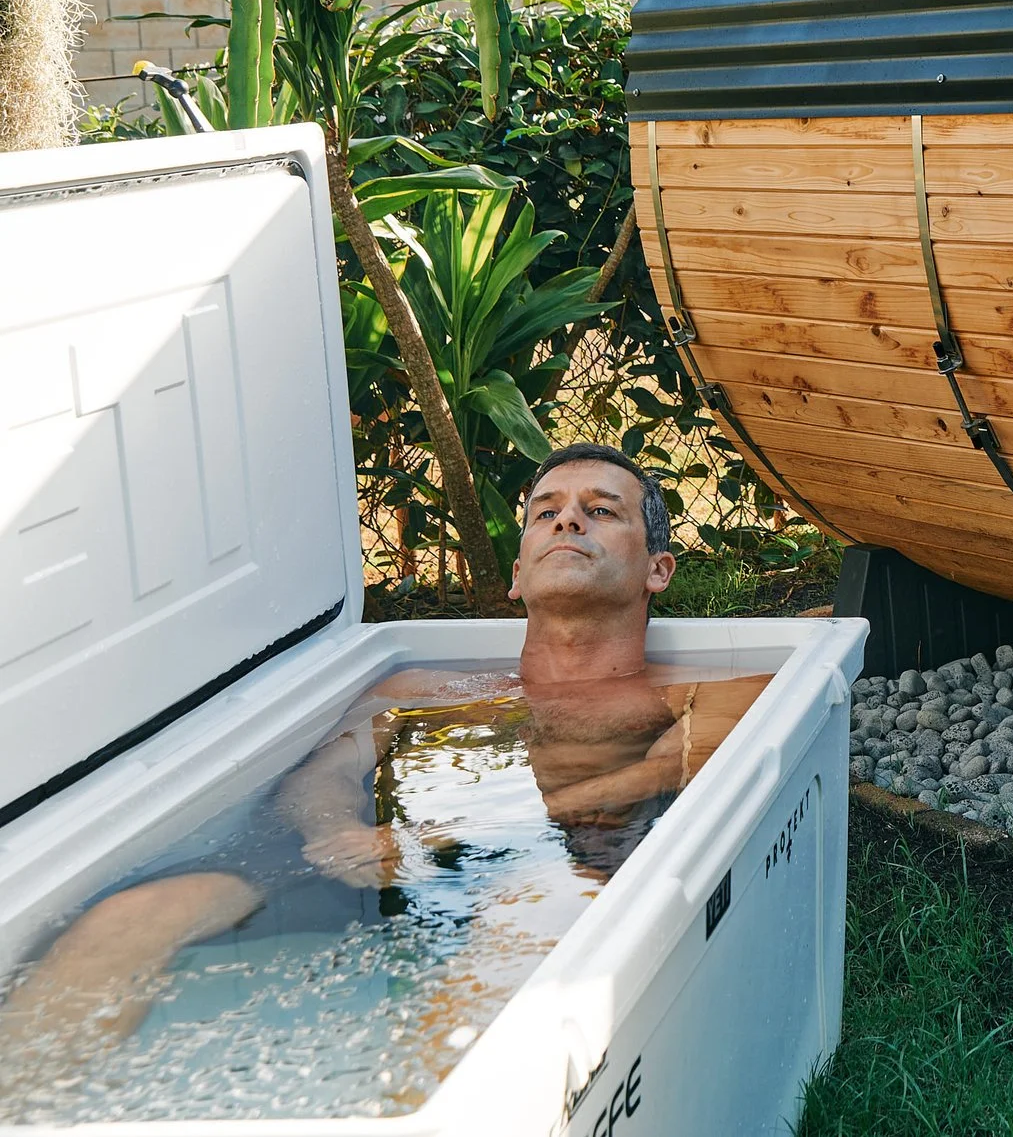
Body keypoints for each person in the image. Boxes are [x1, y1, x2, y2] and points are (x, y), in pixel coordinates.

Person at [0, 443, 768, 1088]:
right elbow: (322, 775)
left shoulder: (688, 691)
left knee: (524, 914)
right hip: (374, 868)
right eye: (545, 511)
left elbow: (686, 762)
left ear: (657, 570)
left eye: (602, 510)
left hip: (548, 864)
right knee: (137, 914)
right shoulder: (419, 689)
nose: (566, 517)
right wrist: (338, 832)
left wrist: (474, 824)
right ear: (516, 574)